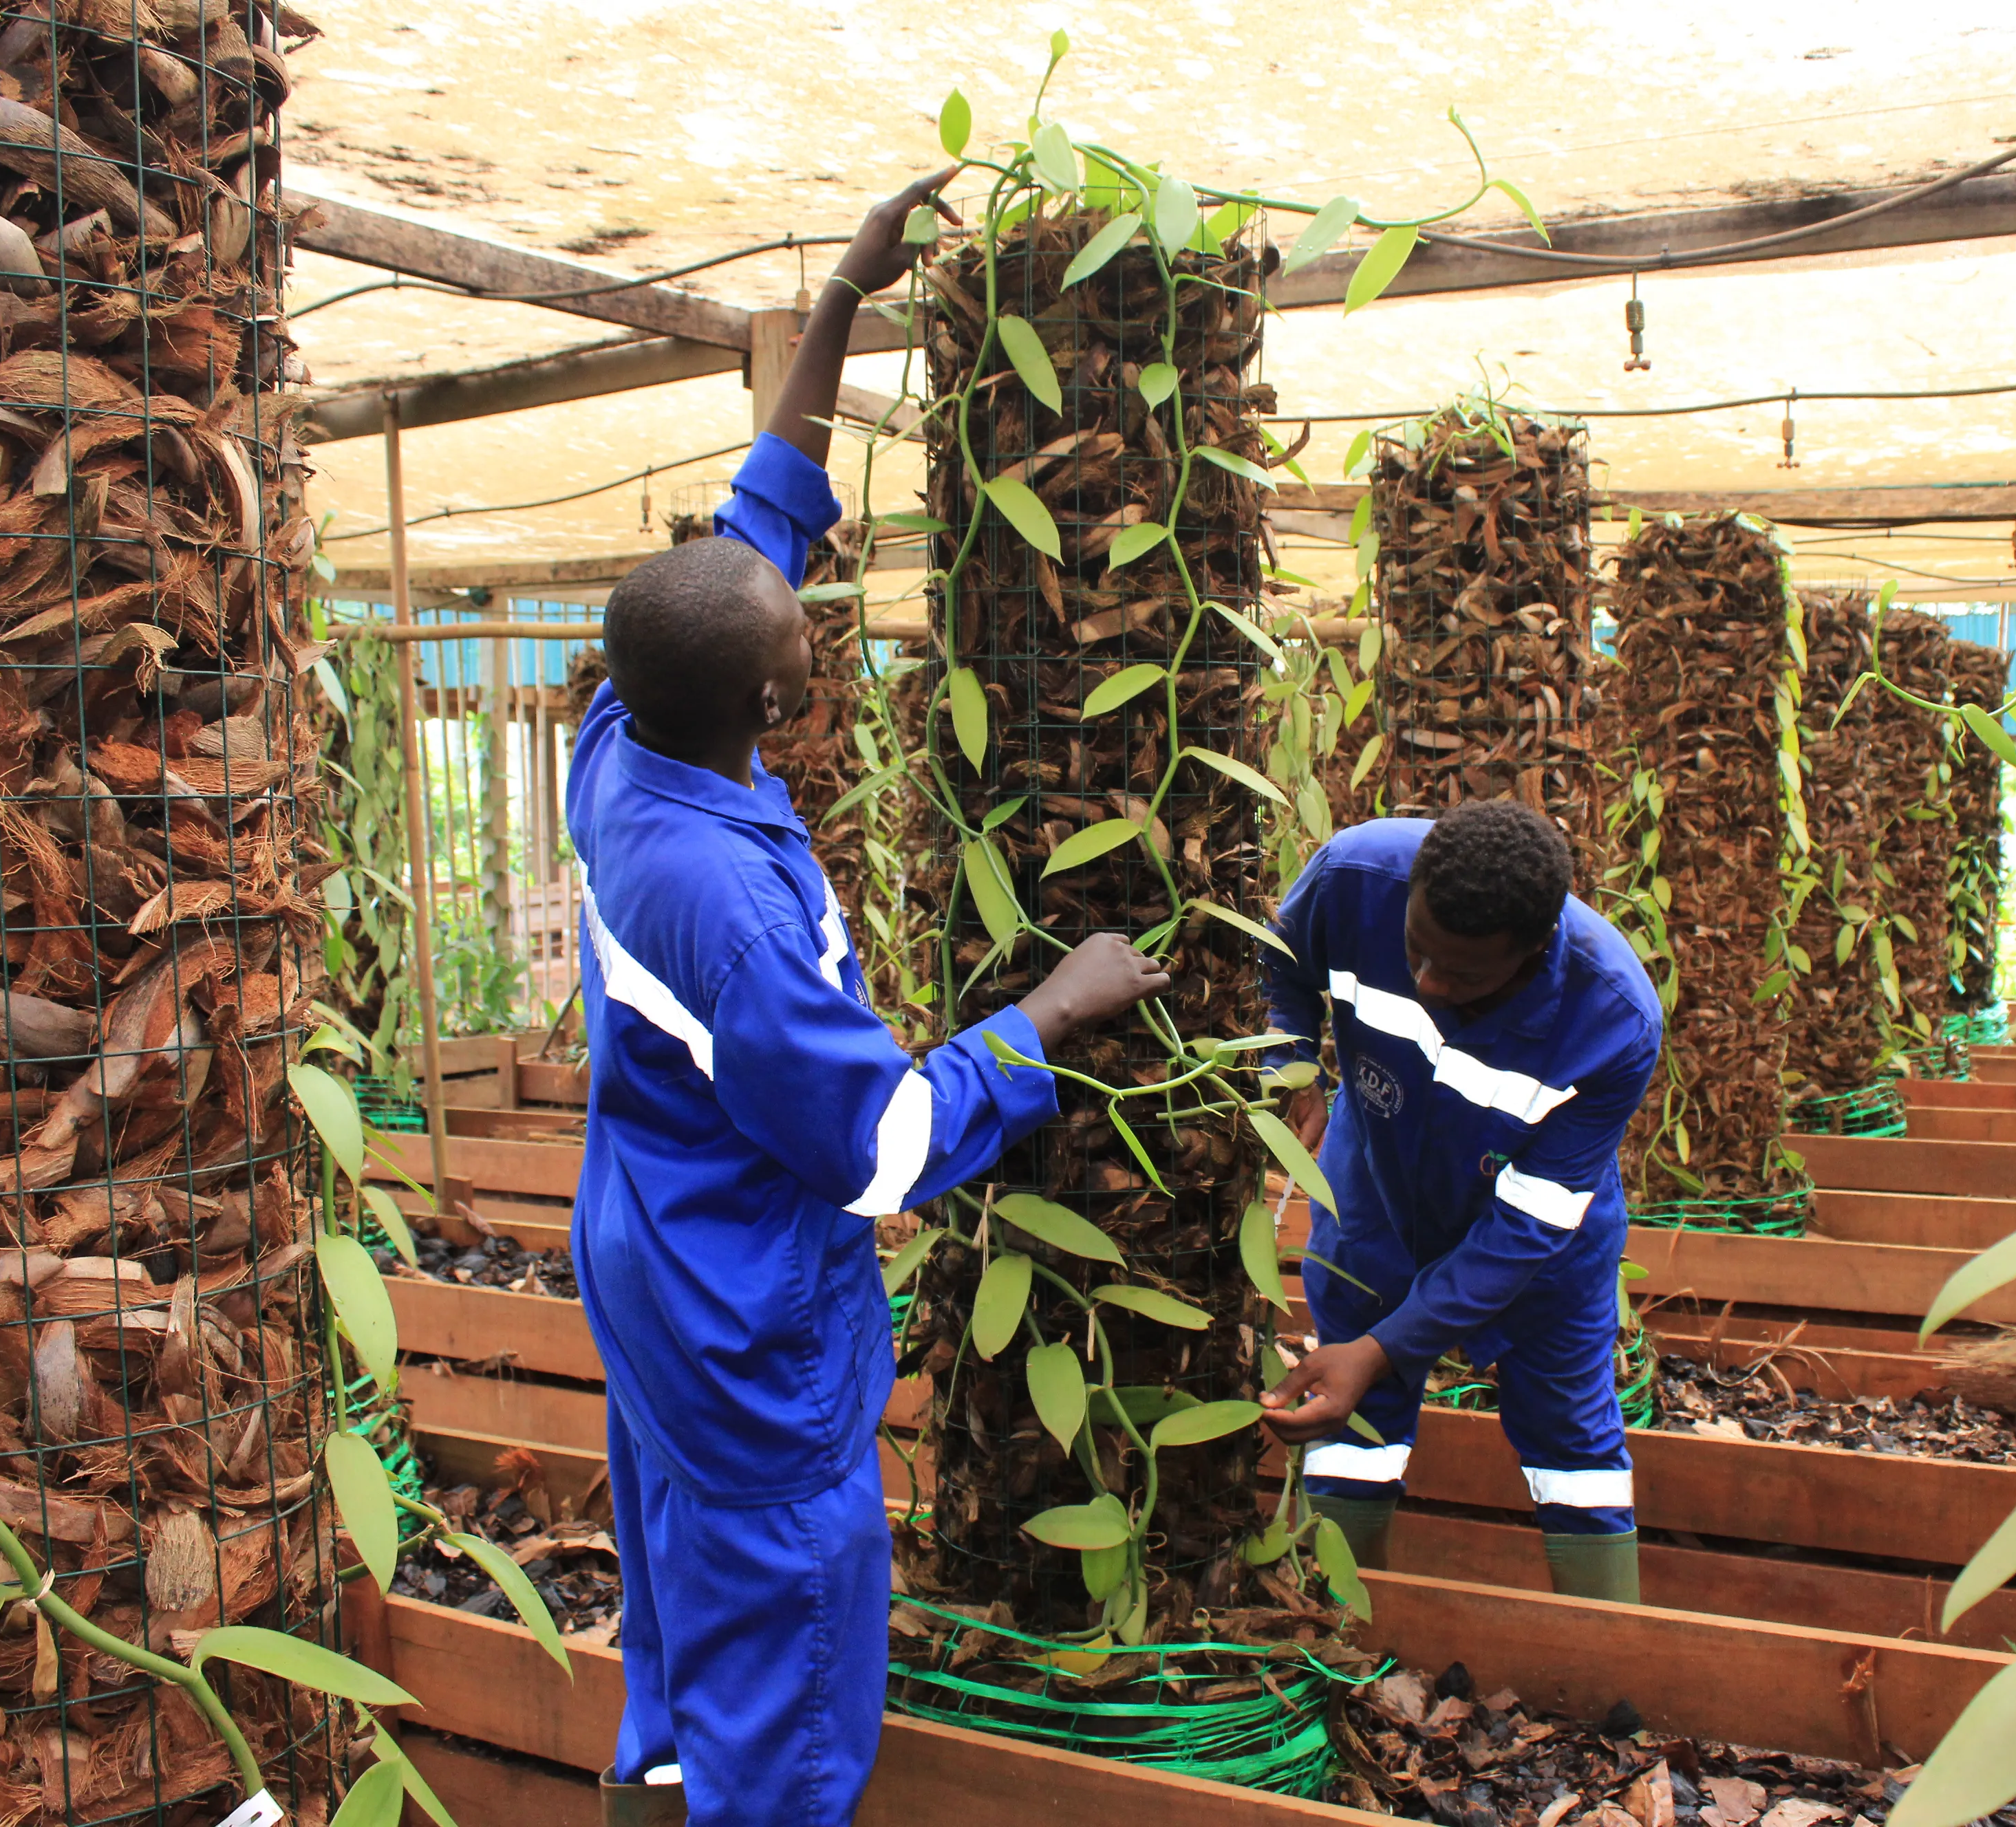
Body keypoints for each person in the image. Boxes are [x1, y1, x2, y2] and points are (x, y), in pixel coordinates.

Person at [566, 172, 1173, 1827]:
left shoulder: (628, 739)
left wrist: (841, 296)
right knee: (793, 1660)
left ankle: (661, 1783)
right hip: (742, 1306)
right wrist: (1053, 1006)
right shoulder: (737, 918)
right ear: (768, 694)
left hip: (648, 1241)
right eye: (805, 639)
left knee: (681, 1611)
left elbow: (755, 525)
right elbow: (884, 1147)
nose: (812, 621)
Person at [1256, 801, 1662, 1602]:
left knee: (1570, 1441)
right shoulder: (1354, 876)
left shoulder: (1611, 1018)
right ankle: (1334, 1628)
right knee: (1354, 1432)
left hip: (1539, 1249)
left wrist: (1381, 1348)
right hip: (1372, 1198)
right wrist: (1290, 1059)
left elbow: (1524, 1229)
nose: (1430, 982)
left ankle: (1608, 1663)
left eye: (1466, 974)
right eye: (1416, 949)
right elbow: (1283, 967)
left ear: (1536, 949)